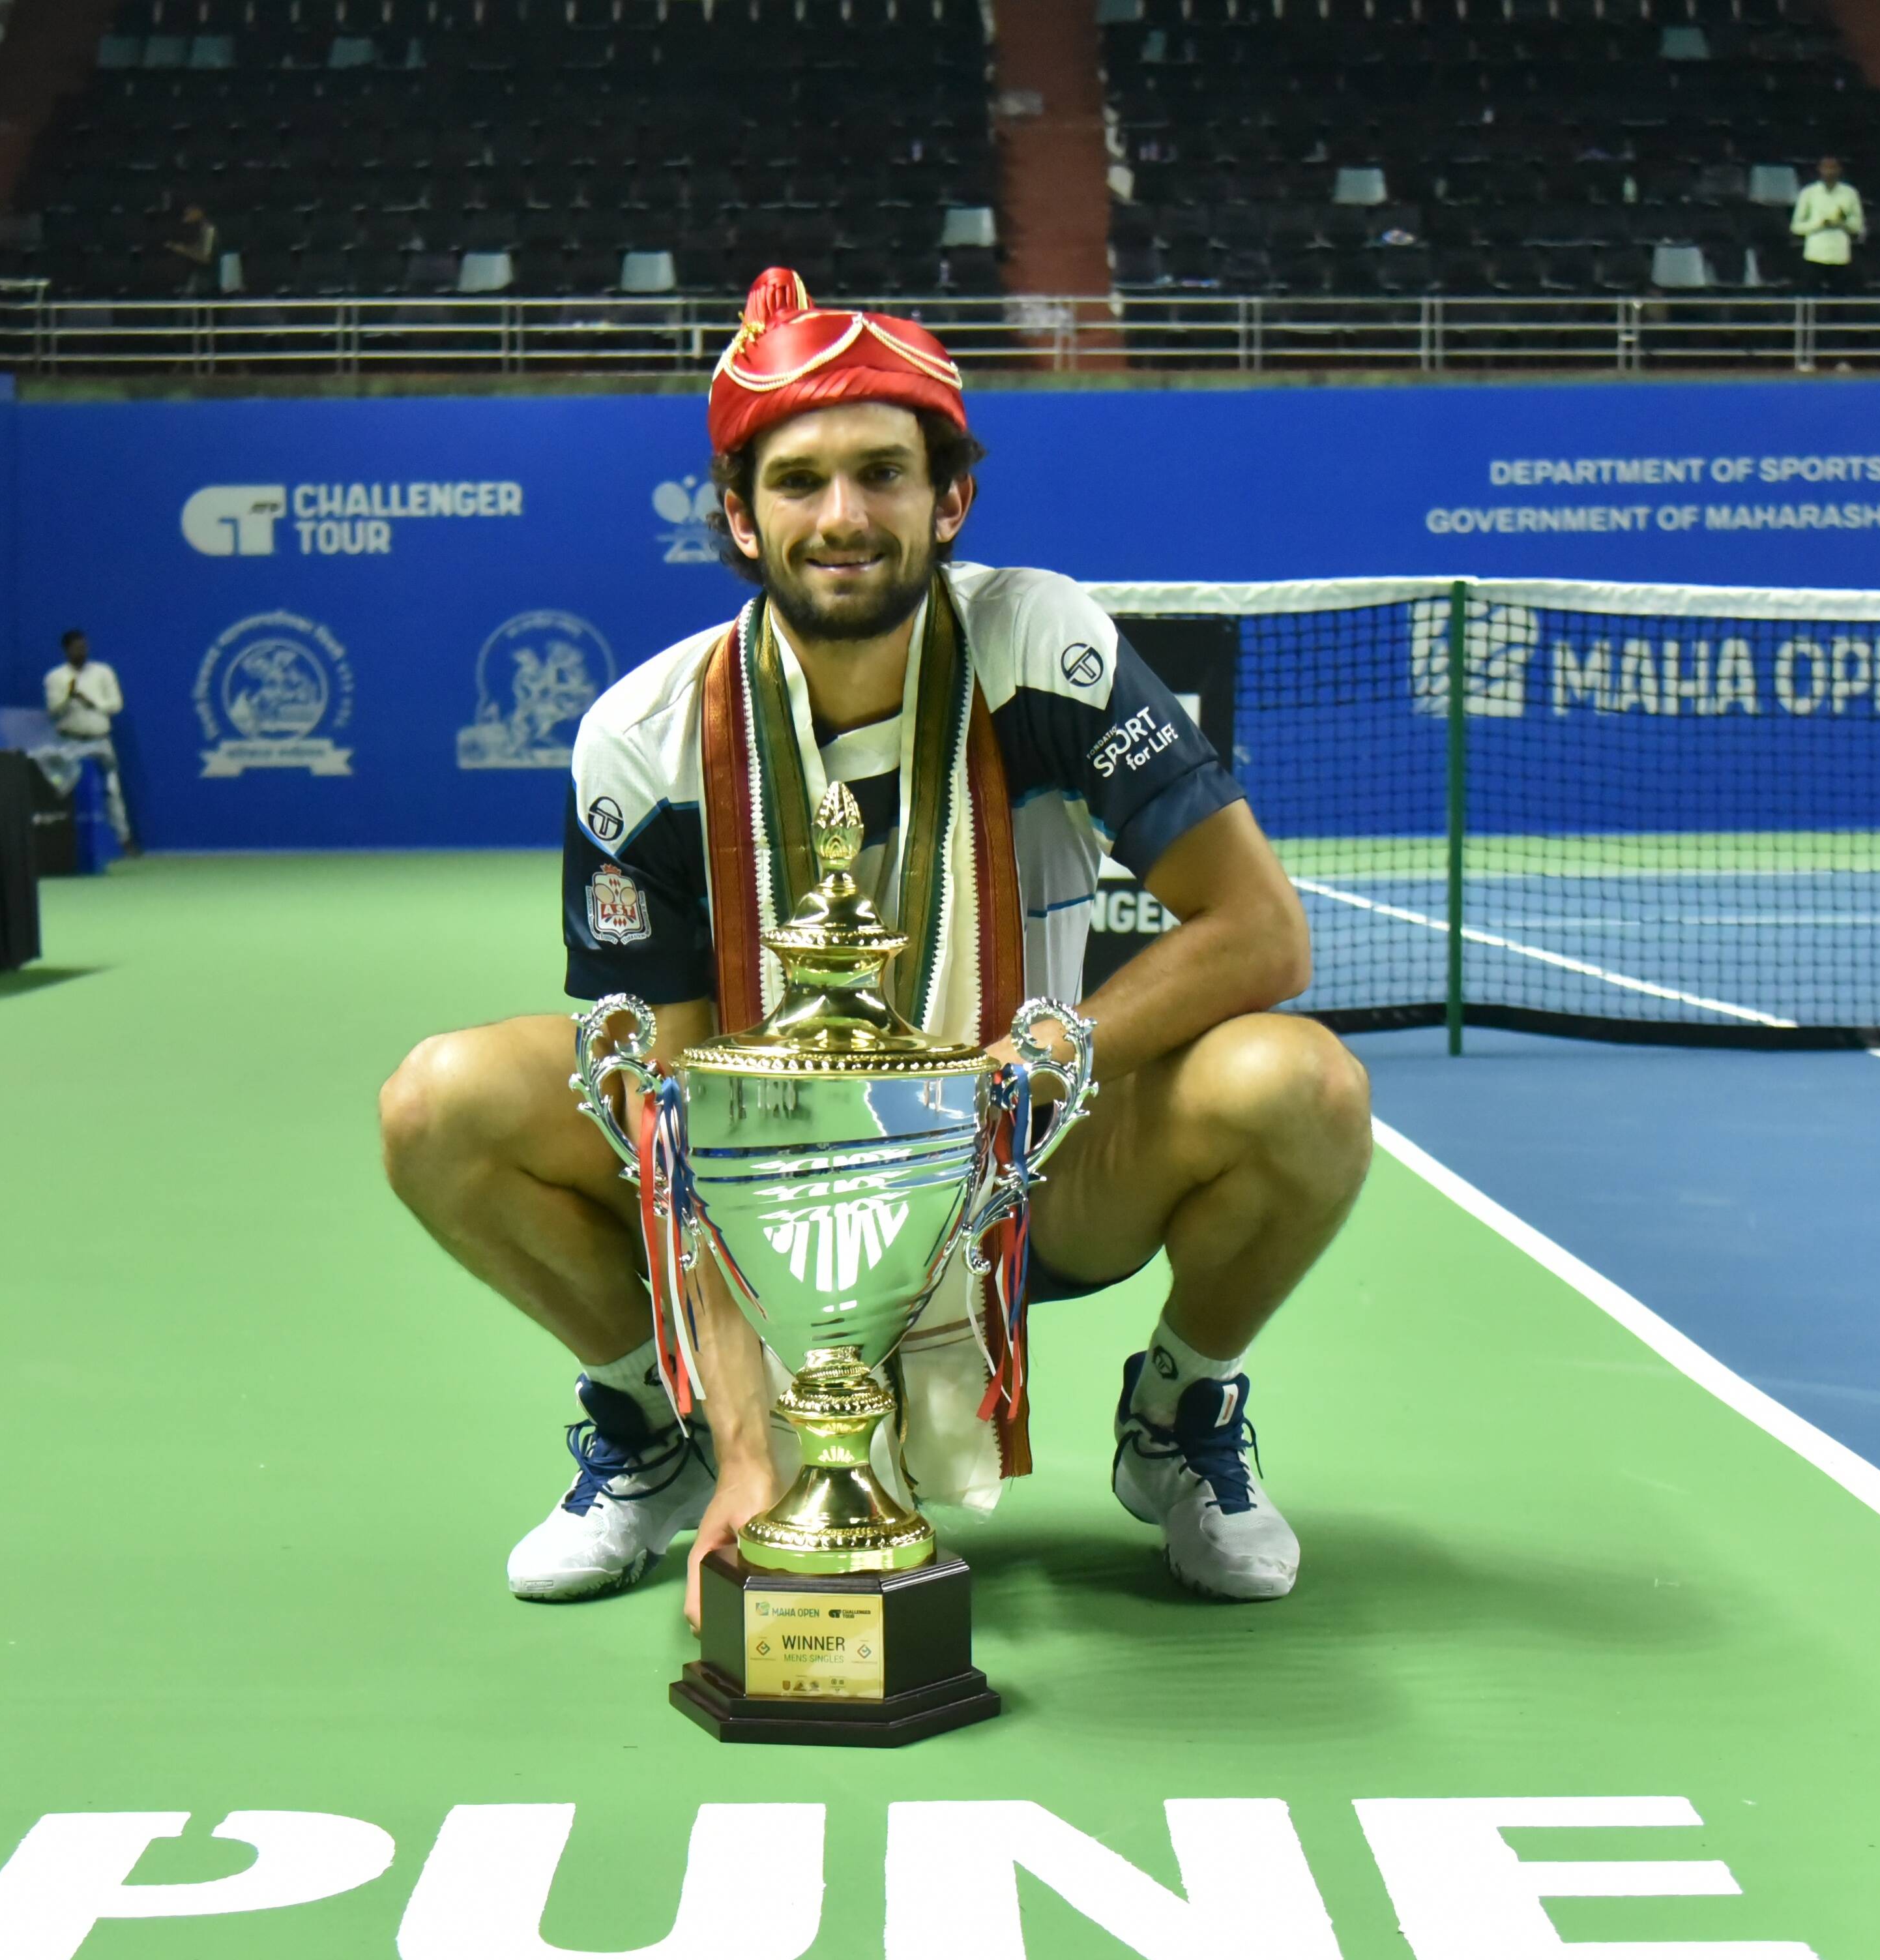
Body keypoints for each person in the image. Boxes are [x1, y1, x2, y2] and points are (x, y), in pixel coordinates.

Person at [380, 267, 1372, 1617]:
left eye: (881, 475)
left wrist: (1045, 1059)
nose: (841, 517)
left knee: (1300, 1087)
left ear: (946, 498)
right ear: (737, 515)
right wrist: (746, 1453)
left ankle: (1175, 1417)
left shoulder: (1038, 646)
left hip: (1030, 1156)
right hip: (760, 1177)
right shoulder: (643, 737)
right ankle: (651, 1433)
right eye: (798, 482)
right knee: (440, 1106)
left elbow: (1259, 932)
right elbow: (662, 1115)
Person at [42, 629, 132, 850]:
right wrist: (68, 698)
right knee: (67, 789)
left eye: (84, 646)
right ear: (66, 650)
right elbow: (53, 711)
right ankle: (69, 844)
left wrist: (91, 702)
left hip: (100, 741)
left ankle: (124, 840)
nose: (82, 651)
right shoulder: (55, 678)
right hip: (70, 742)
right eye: (76, 647)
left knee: (111, 790)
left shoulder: (103, 673)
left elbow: (116, 705)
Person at [1791, 154, 1866, 296]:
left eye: (1833, 168)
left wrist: (1842, 224)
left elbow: (1858, 226)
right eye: (1826, 168)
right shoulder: (1808, 193)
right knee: (1812, 297)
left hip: (1840, 256)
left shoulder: (1850, 193)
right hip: (1814, 255)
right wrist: (1819, 224)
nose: (1829, 172)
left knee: (1838, 300)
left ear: (1839, 170)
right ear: (1819, 170)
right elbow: (1796, 227)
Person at [162, 199, 220, 297]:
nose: (186, 213)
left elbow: (206, 258)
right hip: (197, 279)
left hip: (208, 282)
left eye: (190, 210)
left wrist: (184, 250)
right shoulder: (198, 229)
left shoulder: (209, 230)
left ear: (199, 211)